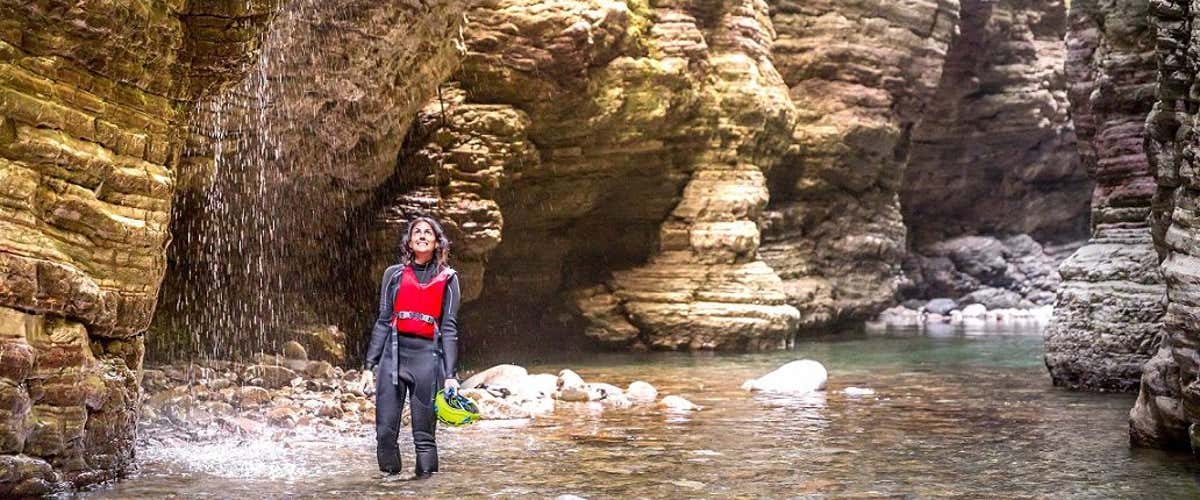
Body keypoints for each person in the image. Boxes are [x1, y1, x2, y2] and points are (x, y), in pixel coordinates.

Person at [364, 216, 461, 478]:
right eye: (416, 231)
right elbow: (384, 321)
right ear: (409, 241)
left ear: (437, 242)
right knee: (384, 433)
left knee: (424, 437)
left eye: (427, 232)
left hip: (427, 360)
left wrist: (451, 376)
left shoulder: (449, 279)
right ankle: (390, 484)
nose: (421, 235)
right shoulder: (393, 275)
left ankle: (425, 489)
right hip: (393, 357)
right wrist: (368, 365)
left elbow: (449, 328)